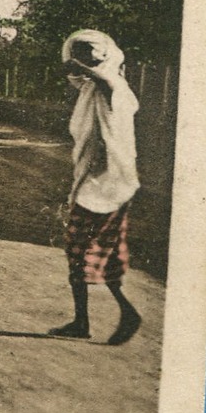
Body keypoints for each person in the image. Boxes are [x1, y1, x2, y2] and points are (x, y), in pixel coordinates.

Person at [49, 30, 143, 346]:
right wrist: (74, 64)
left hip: (105, 187)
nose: (79, 62)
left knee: (80, 250)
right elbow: (79, 79)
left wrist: (79, 64)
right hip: (103, 186)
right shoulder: (94, 89)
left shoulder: (114, 86)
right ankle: (100, 317)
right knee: (103, 253)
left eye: (86, 54)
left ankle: (88, 320)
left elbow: (99, 79)